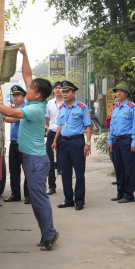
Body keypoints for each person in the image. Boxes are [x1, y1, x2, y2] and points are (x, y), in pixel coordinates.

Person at [0, 42, 58, 251]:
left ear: (38, 94)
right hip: (31, 159)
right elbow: (27, 74)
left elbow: (9, 111)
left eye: (31, 88)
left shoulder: (33, 110)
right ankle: (46, 234)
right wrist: (24, 54)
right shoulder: (33, 103)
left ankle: (49, 236)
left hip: (35, 161)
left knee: (39, 200)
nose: (28, 88)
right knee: (36, 200)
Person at [52, 81, 92, 211]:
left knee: (79, 172)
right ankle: (68, 199)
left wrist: (88, 143)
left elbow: (88, 126)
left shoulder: (82, 107)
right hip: (63, 142)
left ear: (74, 93)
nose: (64, 94)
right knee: (65, 172)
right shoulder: (61, 108)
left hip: (77, 142)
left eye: (67, 91)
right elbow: (59, 125)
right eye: (63, 91)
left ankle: (79, 200)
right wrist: (55, 140)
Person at [107, 83, 135, 203]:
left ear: (126, 93)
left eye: (121, 91)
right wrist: (110, 140)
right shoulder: (115, 108)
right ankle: (120, 193)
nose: (118, 93)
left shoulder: (132, 106)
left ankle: (129, 194)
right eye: (117, 91)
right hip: (117, 141)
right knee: (119, 168)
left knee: (129, 168)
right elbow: (112, 125)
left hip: (127, 141)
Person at [4, 85, 30, 204]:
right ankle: (15, 194)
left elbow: (14, 119)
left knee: (27, 170)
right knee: (14, 171)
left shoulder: (26, 109)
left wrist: (1, 116)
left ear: (24, 97)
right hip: (13, 143)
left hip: (24, 144)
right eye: (14, 95)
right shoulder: (13, 108)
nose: (15, 97)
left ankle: (28, 195)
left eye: (18, 95)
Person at [44, 82, 64, 195]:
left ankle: (68, 185)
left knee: (65, 160)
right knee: (50, 161)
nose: (57, 90)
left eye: (59, 88)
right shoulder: (49, 104)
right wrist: (48, 129)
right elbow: (47, 119)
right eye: (55, 88)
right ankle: (52, 186)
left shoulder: (67, 103)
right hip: (52, 133)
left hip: (65, 134)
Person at [106, 94, 119, 186]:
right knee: (114, 159)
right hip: (113, 137)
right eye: (115, 102)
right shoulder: (113, 110)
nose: (116, 103)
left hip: (124, 138)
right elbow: (108, 124)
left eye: (118, 101)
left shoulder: (129, 108)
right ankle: (118, 178)